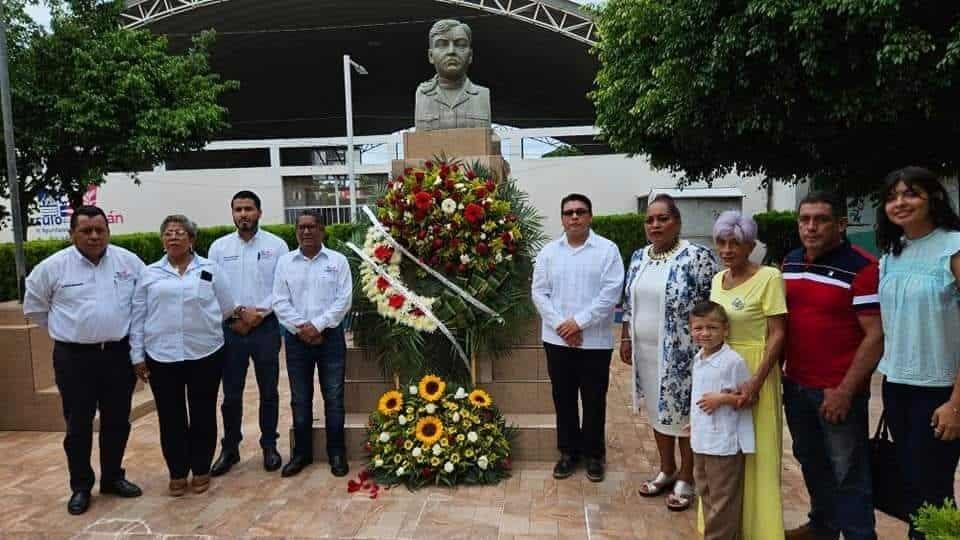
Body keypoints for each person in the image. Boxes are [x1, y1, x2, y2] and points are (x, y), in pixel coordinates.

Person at [23, 205, 146, 515]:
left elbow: (142, 305)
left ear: (108, 231)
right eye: (86, 231)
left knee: (117, 420)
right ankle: (80, 486)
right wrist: (69, 333)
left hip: (118, 355)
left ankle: (112, 477)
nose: (94, 236)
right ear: (72, 234)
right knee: (78, 425)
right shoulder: (52, 268)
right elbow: (35, 309)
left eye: (99, 230)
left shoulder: (129, 263)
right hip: (74, 358)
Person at [782, 192, 882, 540]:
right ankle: (822, 526)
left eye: (820, 219)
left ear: (841, 224)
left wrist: (845, 390)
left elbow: (875, 337)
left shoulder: (863, 267)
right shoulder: (791, 262)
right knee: (810, 460)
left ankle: (858, 534)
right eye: (804, 219)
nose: (810, 227)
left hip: (837, 391)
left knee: (848, 471)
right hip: (795, 385)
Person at [875, 166, 960, 540]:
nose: (899, 202)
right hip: (898, 386)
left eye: (911, 194)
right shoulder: (892, 253)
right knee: (912, 484)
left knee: (934, 487)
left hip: (941, 389)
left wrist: (956, 402)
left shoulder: (953, 248)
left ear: (934, 198)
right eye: (892, 196)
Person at [620, 193, 719, 510]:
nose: (655, 224)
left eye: (662, 218)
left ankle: (686, 477)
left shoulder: (697, 256)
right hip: (646, 353)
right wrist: (626, 337)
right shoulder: (638, 257)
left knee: (684, 416)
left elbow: (710, 305)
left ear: (677, 222)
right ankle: (667, 468)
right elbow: (628, 303)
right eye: (650, 219)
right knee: (658, 411)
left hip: (683, 354)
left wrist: (709, 346)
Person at [130, 215, 239, 497]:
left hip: (205, 352)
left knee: (203, 413)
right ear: (162, 240)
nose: (173, 237)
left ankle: (201, 468)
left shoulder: (210, 269)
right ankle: (177, 471)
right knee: (170, 416)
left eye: (180, 232)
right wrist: (137, 355)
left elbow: (227, 308)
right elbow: (138, 316)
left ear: (192, 239)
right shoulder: (150, 273)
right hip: (162, 356)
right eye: (168, 233)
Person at [531, 193, 625, 482]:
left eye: (580, 212)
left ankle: (594, 454)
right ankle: (569, 452)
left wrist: (579, 323)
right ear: (562, 218)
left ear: (590, 216)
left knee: (594, 398)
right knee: (564, 398)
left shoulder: (607, 251)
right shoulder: (548, 252)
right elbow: (539, 292)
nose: (574, 217)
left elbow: (611, 292)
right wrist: (563, 325)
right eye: (569, 212)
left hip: (594, 342)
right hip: (557, 341)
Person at [709, 210, 788, 540]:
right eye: (722, 243)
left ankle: (760, 530)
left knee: (758, 454)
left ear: (751, 245)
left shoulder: (769, 277)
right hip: (721, 369)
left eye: (735, 244)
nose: (728, 250)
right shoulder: (718, 279)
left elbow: (778, 333)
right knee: (723, 451)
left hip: (756, 370)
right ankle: (726, 524)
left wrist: (756, 382)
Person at [208, 191, 289, 476]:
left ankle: (269, 446)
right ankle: (230, 449)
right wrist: (237, 313)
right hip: (231, 329)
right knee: (231, 394)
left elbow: (280, 287)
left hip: (265, 327)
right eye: (238, 209)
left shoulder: (276, 246)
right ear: (232, 213)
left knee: (269, 391)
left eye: (249, 209)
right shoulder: (218, 248)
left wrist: (258, 315)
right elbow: (212, 288)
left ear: (259, 212)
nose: (243, 214)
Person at [273, 211, 353, 478]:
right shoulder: (285, 262)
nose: (306, 232)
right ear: (296, 232)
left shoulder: (338, 261)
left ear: (322, 230)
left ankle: (336, 452)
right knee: (300, 398)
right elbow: (279, 301)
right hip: (296, 340)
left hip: (330, 338)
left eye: (312, 227)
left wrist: (318, 326)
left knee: (333, 397)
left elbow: (344, 300)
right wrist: (302, 328)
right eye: (301, 227)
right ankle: (302, 454)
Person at [688, 301, 754, 540]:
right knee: (705, 492)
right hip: (701, 440)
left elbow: (748, 398)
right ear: (691, 329)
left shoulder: (733, 362)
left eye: (712, 328)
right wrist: (694, 421)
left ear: (725, 329)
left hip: (723, 445)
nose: (705, 333)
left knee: (723, 501)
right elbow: (699, 396)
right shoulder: (698, 358)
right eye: (699, 328)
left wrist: (722, 399)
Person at [414, 18, 491, 131]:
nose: (451, 51)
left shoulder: (482, 95)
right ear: (431, 56)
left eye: (460, 44)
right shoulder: (422, 95)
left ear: (470, 56)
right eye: (442, 45)